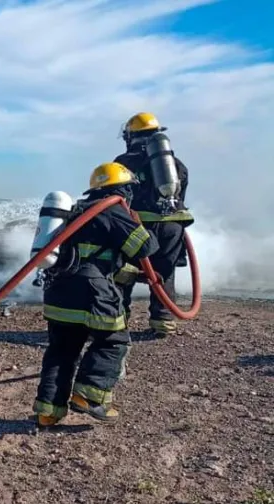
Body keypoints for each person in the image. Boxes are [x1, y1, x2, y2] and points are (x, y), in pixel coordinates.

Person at [33, 162, 159, 428]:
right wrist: (136, 222)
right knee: (114, 341)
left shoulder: (76, 210)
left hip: (58, 292)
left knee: (61, 350)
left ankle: (48, 411)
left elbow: (96, 256)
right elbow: (145, 246)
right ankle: (90, 396)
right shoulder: (112, 210)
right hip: (91, 293)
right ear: (123, 189)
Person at [113, 112, 193, 337]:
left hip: (138, 226)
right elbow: (180, 199)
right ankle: (163, 321)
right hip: (172, 228)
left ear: (132, 136)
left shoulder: (123, 163)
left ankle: (117, 320)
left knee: (123, 270)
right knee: (164, 272)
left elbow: (117, 198)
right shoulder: (177, 166)